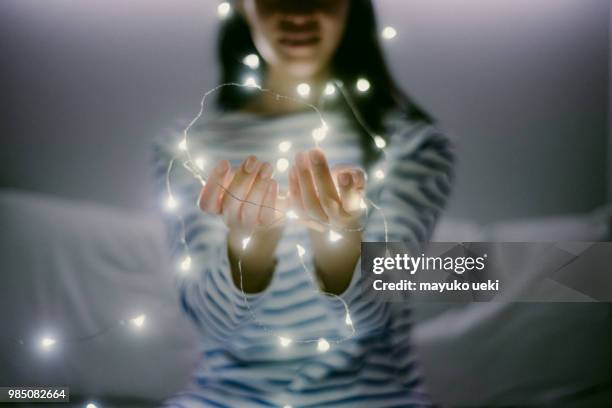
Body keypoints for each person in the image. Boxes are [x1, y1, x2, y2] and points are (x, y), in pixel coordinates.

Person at [154, 0, 454, 406]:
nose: (298, 13)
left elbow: (377, 318)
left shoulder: (409, 145)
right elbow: (212, 327)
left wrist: (339, 246)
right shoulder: (189, 149)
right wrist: (249, 249)